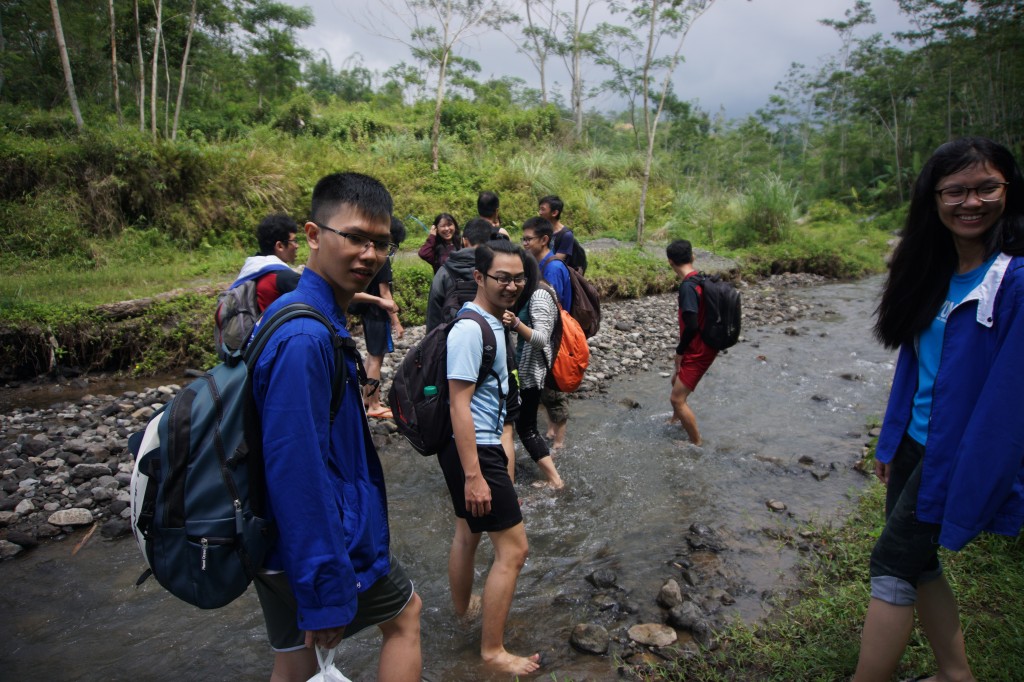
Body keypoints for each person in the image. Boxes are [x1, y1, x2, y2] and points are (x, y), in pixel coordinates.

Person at [853, 137, 1024, 681]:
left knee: (891, 566)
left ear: (1009, 191)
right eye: (955, 191)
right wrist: (891, 439)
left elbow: (1009, 401)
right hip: (914, 443)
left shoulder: (1014, 280)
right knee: (918, 563)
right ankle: (956, 674)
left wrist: (980, 474)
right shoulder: (932, 271)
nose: (970, 203)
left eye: (986, 188)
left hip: (954, 453)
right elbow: (914, 366)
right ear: (933, 198)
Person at [250, 172, 422, 682]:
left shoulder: (303, 313)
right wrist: (324, 588)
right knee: (405, 617)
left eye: (381, 243)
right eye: (354, 238)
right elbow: (295, 466)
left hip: (276, 539)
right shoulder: (306, 336)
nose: (369, 255)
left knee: (295, 656)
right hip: (313, 540)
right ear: (312, 234)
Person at [440, 239, 541, 676]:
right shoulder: (469, 329)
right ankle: (492, 651)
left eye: (518, 277)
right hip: (473, 450)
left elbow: (492, 394)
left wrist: (505, 444)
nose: (512, 285)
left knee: (467, 533)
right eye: (502, 277)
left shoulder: (495, 320)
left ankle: (463, 612)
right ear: (479, 277)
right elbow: (457, 405)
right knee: (515, 551)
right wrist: (474, 475)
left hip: (479, 446)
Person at [502, 245, 564, 489]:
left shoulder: (539, 295)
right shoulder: (537, 290)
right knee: (524, 425)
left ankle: (555, 480)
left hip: (532, 371)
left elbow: (541, 338)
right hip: (527, 368)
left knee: (526, 428)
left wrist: (516, 323)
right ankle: (552, 477)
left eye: (516, 276)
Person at [522, 217, 572, 452]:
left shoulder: (552, 268)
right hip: (548, 340)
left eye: (528, 239)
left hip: (554, 341)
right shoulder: (542, 264)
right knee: (547, 390)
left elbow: (551, 310)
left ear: (544, 240)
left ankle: (559, 443)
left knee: (554, 391)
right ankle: (552, 431)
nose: (524, 243)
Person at [351, 216, 407, 419]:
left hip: (368, 313)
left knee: (371, 357)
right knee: (376, 359)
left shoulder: (369, 254)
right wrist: (397, 322)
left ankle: (367, 398)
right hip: (377, 315)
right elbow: (386, 295)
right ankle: (374, 405)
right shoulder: (382, 260)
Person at [666, 239, 717, 446]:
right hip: (703, 343)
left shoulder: (688, 287)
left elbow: (692, 325)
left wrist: (680, 351)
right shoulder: (699, 279)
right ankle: (677, 418)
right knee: (675, 379)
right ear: (692, 257)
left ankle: (696, 442)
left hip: (698, 349)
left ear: (670, 262)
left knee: (676, 399)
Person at [425, 218, 497, 332]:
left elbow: (434, 314)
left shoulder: (445, 271)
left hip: (454, 337)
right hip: (492, 336)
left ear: (464, 241)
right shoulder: (497, 268)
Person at [230, 213, 301, 313]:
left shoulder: (251, 270)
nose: (297, 246)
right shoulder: (284, 278)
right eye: (294, 241)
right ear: (280, 246)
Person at [538, 195, 576, 268]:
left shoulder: (566, 235)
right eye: (540, 209)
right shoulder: (540, 230)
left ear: (554, 213)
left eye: (543, 209)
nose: (540, 213)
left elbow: (556, 261)